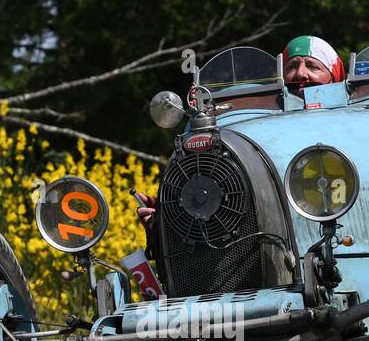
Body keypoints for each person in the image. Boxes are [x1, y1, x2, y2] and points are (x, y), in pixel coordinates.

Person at [136, 35, 346, 225]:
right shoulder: (265, 123)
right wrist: (169, 209)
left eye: (313, 66)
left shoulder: (347, 122)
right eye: (292, 66)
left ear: (334, 76)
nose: (300, 73)